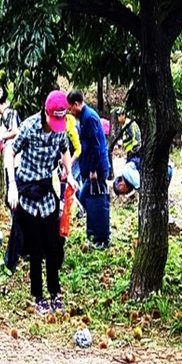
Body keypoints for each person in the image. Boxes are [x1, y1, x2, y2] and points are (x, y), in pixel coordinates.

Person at [5, 90, 77, 315]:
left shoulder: (61, 129)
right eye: (53, 119)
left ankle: (55, 293)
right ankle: (38, 296)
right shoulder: (28, 127)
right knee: (34, 247)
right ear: (45, 113)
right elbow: (9, 151)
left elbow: (65, 150)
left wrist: (70, 173)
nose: (56, 124)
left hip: (46, 191)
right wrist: (12, 185)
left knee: (53, 245)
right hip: (26, 192)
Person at [67, 90, 111, 249]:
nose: (70, 112)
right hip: (91, 167)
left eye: (70, 108)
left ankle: (103, 238)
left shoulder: (89, 117)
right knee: (89, 200)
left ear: (77, 104)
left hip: (97, 168)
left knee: (98, 201)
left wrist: (93, 170)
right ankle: (94, 234)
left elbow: (95, 146)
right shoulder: (84, 117)